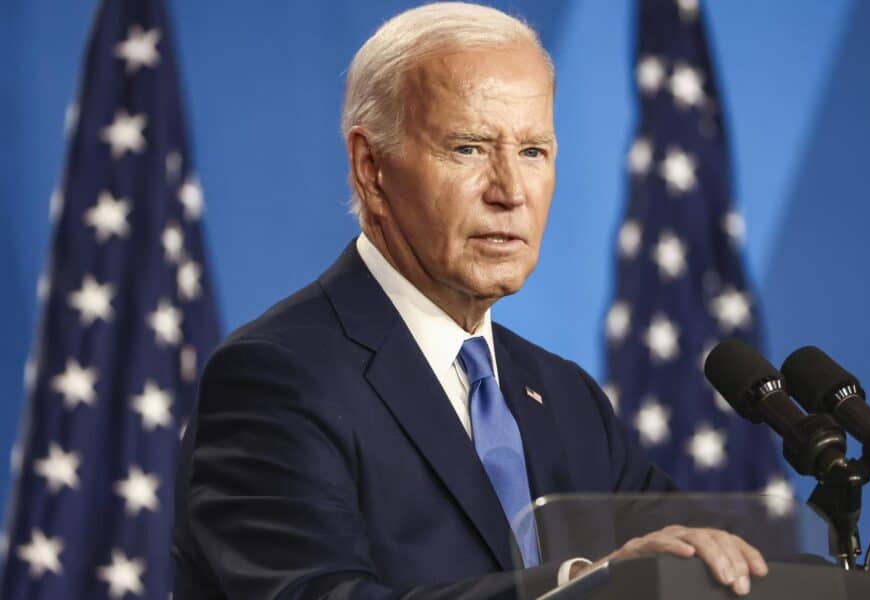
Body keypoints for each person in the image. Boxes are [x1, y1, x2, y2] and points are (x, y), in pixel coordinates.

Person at [171, 3, 768, 598]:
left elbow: (699, 552)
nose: (510, 192)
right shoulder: (276, 376)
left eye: (533, 151)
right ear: (371, 167)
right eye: (469, 148)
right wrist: (578, 589)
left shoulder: (565, 398)